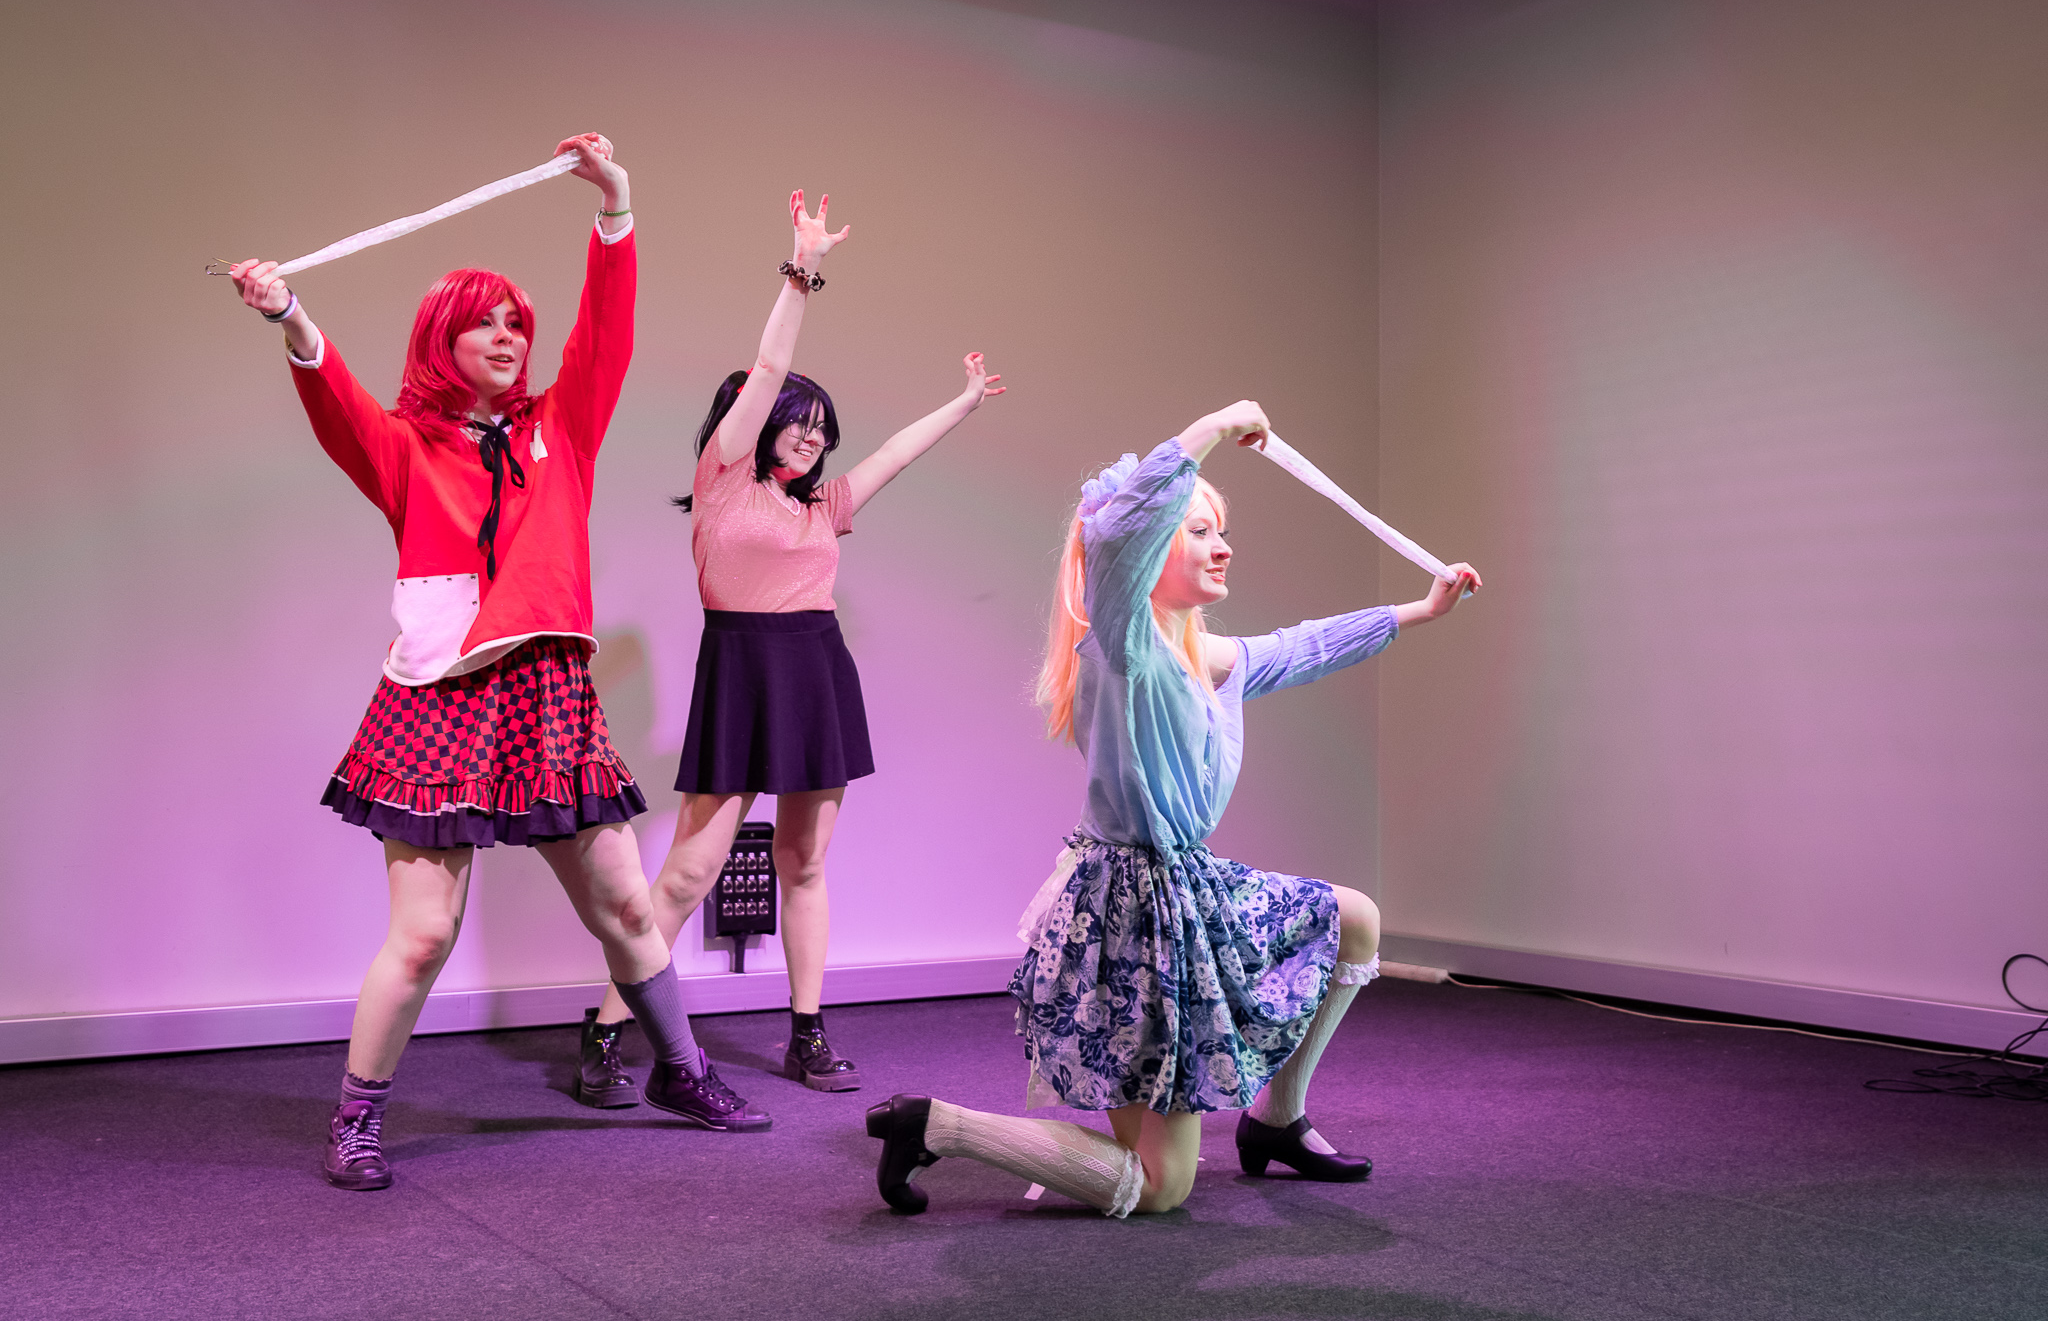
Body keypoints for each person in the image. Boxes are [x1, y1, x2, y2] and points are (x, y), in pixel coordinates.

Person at [226, 134, 769, 1194]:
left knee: (625, 908)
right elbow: (335, 398)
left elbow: (606, 332)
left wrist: (615, 206)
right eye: (487, 322)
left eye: (518, 322)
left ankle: (682, 1071)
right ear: (443, 338)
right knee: (424, 935)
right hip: (439, 698)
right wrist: (290, 314)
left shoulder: (561, 428)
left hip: (547, 695)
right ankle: (356, 1118)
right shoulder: (403, 447)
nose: (510, 337)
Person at [866, 400, 1481, 1216]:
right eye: (1197, 530)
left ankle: (1276, 1121)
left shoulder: (1203, 654)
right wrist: (1213, 426)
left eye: (1221, 530)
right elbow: (1115, 534)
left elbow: (1301, 646)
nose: (1222, 545)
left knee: (1354, 919)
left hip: (1189, 887)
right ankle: (936, 1125)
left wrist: (1419, 610)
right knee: (1162, 1185)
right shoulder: (1123, 644)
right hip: (1131, 919)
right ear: (1151, 548)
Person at [571, 190, 1004, 1104]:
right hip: (740, 672)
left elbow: (893, 455)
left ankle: (808, 1032)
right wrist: (803, 270)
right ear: (757, 422)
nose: (810, 437)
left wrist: (963, 404)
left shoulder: (825, 506)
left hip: (815, 672)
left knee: (804, 863)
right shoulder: (724, 478)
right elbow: (769, 367)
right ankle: (607, 1032)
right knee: (687, 873)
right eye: (796, 421)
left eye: (820, 430)